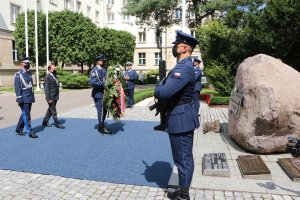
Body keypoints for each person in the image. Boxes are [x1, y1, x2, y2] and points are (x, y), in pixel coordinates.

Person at [154, 31, 200, 200]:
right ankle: (183, 191)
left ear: (184, 47)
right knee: (183, 158)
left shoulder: (184, 67)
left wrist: (157, 86)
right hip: (181, 116)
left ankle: (184, 196)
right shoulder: (185, 66)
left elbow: (164, 93)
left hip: (180, 119)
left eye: (176, 45)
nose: (174, 47)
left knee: (183, 160)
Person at [14, 57, 38, 138]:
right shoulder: (18, 74)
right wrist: (19, 98)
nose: (28, 65)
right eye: (27, 63)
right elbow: (17, 88)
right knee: (27, 115)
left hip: (29, 97)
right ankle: (30, 132)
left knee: (25, 114)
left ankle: (18, 128)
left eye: (28, 63)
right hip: (23, 98)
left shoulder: (29, 73)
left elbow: (30, 87)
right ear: (22, 64)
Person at [89, 54, 112, 134]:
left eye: (103, 60)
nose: (102, 61)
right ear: (97, 62)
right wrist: (103, 83)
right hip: (98, 93)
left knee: (104, 110)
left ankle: (101, 125)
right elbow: (92, 82)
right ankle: (101, 127)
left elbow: (107, 79)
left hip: (104, 93)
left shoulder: (103, 70)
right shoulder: (94, 70)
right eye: (101, 60)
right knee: (100, 111)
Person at [42, 62, 64, 129]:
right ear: (49, 69)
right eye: (54, 68)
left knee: (50, 110)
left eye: (55, 68)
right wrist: (48, 99)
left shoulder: (54, 76)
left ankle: (45, 122)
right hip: (51, 97)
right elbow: (46, 89)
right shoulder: (47, 77)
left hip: (55, 96)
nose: (55, 69)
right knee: (53, 111)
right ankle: (57, 123)